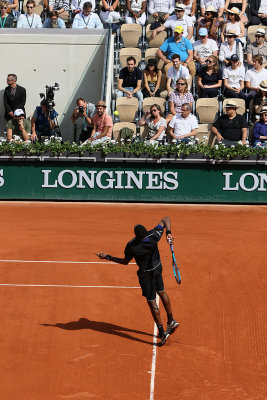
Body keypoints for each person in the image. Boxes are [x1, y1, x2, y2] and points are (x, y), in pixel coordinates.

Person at [96, 215, 179, 346]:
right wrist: (168, 233)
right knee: (162, 291)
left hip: (146, 275)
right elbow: (166, 219)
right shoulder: (154, 235)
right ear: (146, 232)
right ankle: (171, 319)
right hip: (157, 269)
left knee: (152, 302)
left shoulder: (132, 246)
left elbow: (124, 262)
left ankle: (162, 332)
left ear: (136, 236)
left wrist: (108, 257)